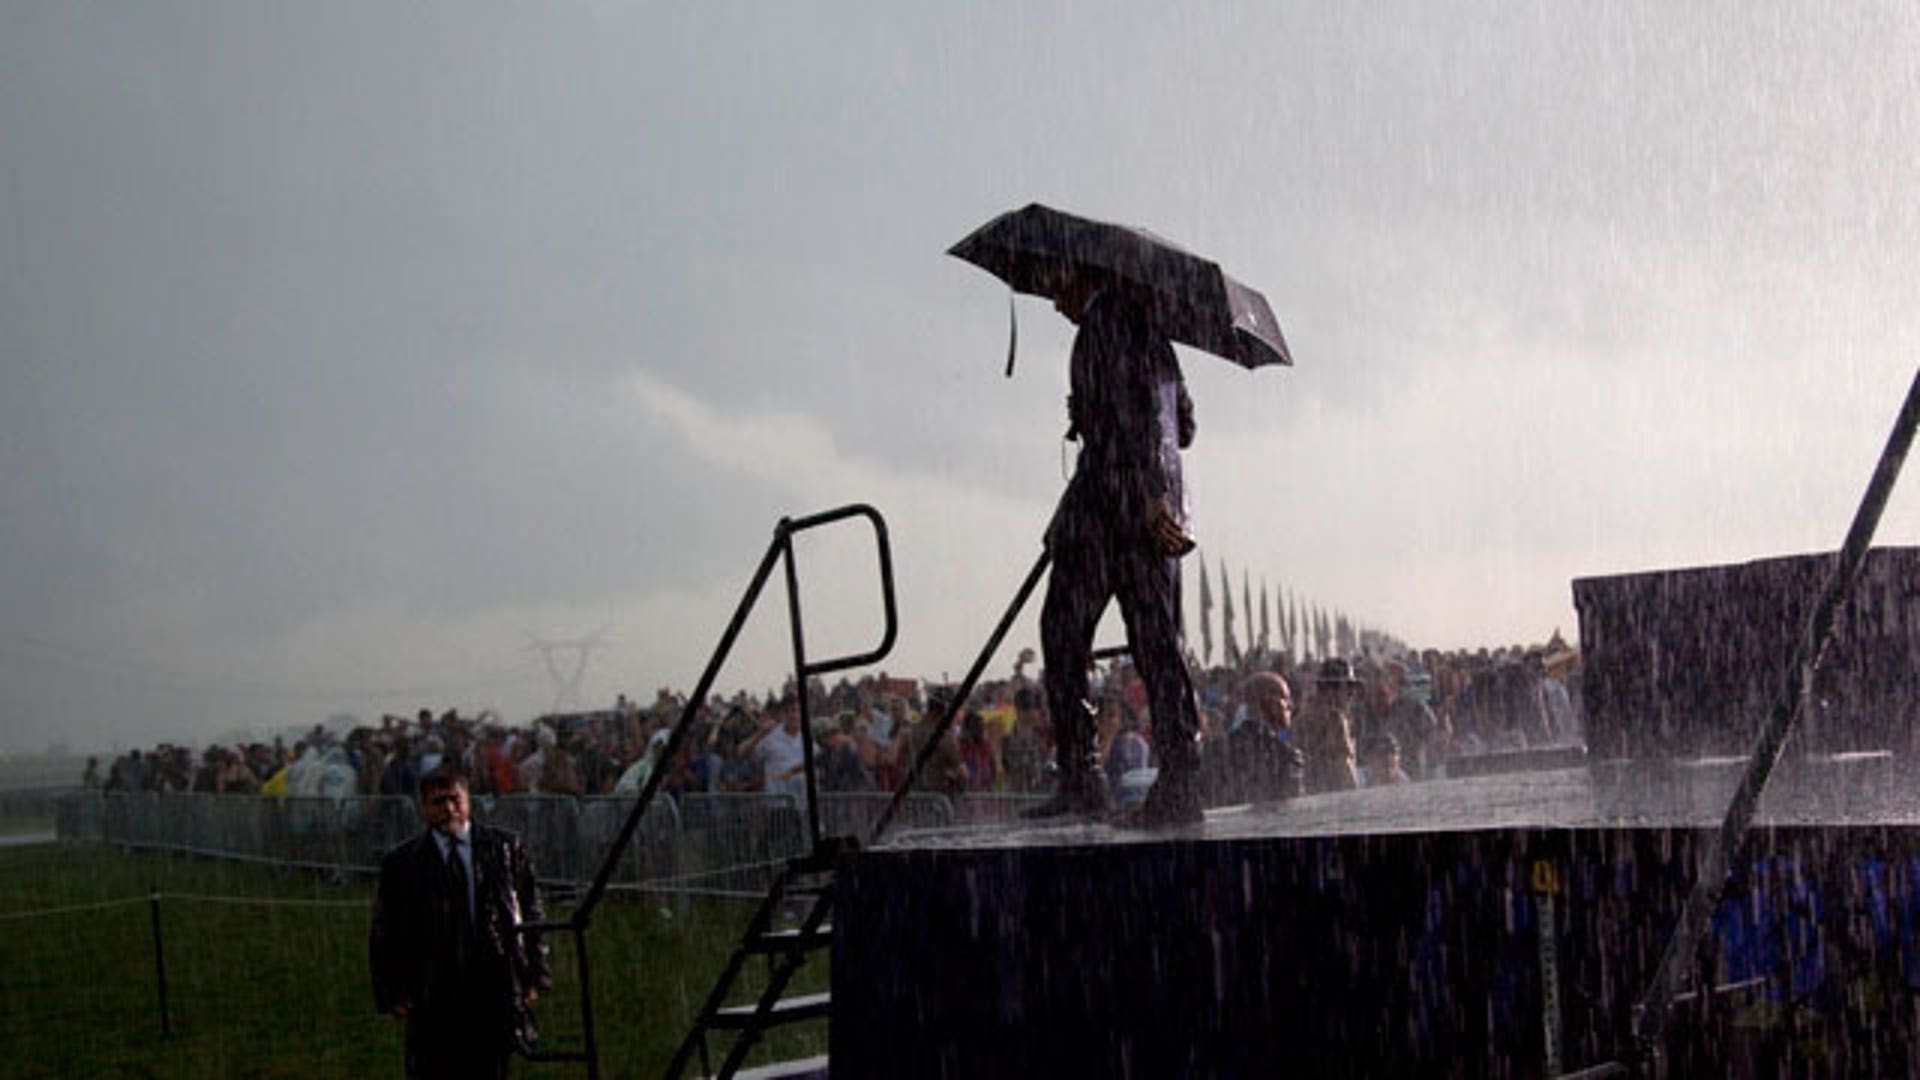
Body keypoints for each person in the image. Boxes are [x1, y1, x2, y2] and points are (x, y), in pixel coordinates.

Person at [1028, 275, 1205, 828]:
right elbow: (1187, 426)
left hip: (1115, 510)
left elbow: (1132, 421)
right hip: (1147, 513)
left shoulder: (1104, 323)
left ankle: (1084, 778)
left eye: (1058, 287)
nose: (1055, 302)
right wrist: (1090, 412)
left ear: (1086, 276)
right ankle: (1179, 779)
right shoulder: (1154, 335)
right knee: (1158, 646)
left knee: (1063, 630)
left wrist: (1143, 488)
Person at [370, 765, 550, 1079]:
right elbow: (387, 930)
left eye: (455, 799)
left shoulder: (504, 849)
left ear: (469, 800)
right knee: (436, 1064)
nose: (449, 809)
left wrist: (534, 973)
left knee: (490, 1064)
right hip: (433, 982)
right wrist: (392, 991)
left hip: (491, 974)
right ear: (424, 808)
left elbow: (530, 910)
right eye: (438, 802)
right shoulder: (403, 863)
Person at [1210, 671, 1305, 804]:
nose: (1291, 706)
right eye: (1286, 698)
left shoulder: (1217, 748)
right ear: (1269, 700)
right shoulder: (1285, 755)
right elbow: (1292, 809)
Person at [1296, 657, 1363, 794]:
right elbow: (1345, 768)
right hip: (1333, 800)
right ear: (1330, 690)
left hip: (1308, 799)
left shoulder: (1301, 719)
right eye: (1348, 688)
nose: (1352, 694)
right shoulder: (1335, 720)